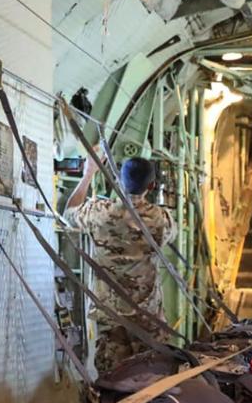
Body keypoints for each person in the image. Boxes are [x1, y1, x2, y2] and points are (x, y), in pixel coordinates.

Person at [66, 156, 173, 376]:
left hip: (111, 315)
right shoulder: (160, 219)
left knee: (114, 380)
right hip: (148, 317)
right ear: (151, 185)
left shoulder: (100, 213)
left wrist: (89, 173)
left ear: (119, 181)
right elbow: (170, 234)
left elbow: (68, 213)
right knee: (151, 380)